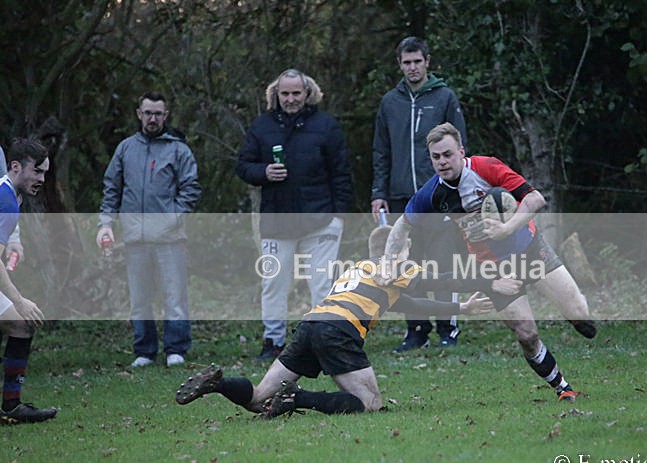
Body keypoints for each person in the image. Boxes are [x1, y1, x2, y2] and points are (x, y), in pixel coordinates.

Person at [175, 225, 520, 417]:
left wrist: (463, 310)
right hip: (338, 332)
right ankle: (297, 398)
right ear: (398, 248)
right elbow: (442, 280)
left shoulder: (360, 269)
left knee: (258, 399)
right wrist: (489, 282)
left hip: (310, 325)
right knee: (369, 405)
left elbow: (410, 302)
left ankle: (217, 383)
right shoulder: (394, 266)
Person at [383, 122, 597, 402]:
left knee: (582, 319)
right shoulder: (432, 194)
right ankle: (563, 388)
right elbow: (402, 226)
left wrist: (507, 228)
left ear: (461, 151)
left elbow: (535, 199)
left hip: (530, 249)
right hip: (493, 268)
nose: (442, 162)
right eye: (436, 157)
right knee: (526, 333)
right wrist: (388, 261)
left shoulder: (486, 168)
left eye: (447, 154)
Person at [236, 69, 353, 362]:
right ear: (276, 94)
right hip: (277, 221)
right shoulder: (261, 126)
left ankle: (323, 341)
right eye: (285, 94)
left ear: (307, 93)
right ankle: (273, 341)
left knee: (322, 283)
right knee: (274, 282)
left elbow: (342, 174)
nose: (290, 99)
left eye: (296, 93)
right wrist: (263, 172)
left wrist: (339, 217)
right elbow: (243, 165)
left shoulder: (326, 126)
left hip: (321, 220)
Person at [371, 36, 470, 352]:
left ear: (427, 61)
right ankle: (416, 331)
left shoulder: (444, 97)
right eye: (406, 62)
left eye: (417, 61)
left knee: (443, 265)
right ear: (399, 64)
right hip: (401, 197)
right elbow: (381, 151)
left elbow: (460, 149)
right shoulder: (390, 102)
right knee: (406, 266)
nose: (412, 67)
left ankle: (448, 329)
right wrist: (379, 192)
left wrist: (461, 192)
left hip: (439, 196)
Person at [96, 91, 201, 368]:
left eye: (158, 113)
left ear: (165, 116)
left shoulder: (179, 149)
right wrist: (106, 223)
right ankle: (144, 350)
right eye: (148, 113)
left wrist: (172, 218)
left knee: (174, 293)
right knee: (139, 296)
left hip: (170, 237)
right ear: (138, 114)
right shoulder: (125, 149)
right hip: (134, 238)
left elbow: (190, 189)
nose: (152, 118)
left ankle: (176, 348)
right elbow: (112, 188)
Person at [0, 138, 56, 424]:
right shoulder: (6, 199)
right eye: (37, 171)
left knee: (20, 325)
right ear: (16, 166)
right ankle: (11, 405)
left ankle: (11, 405)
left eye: (45, 173)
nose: (41, 179)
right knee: (21, 320)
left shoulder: (11, 196)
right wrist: (19, 300)